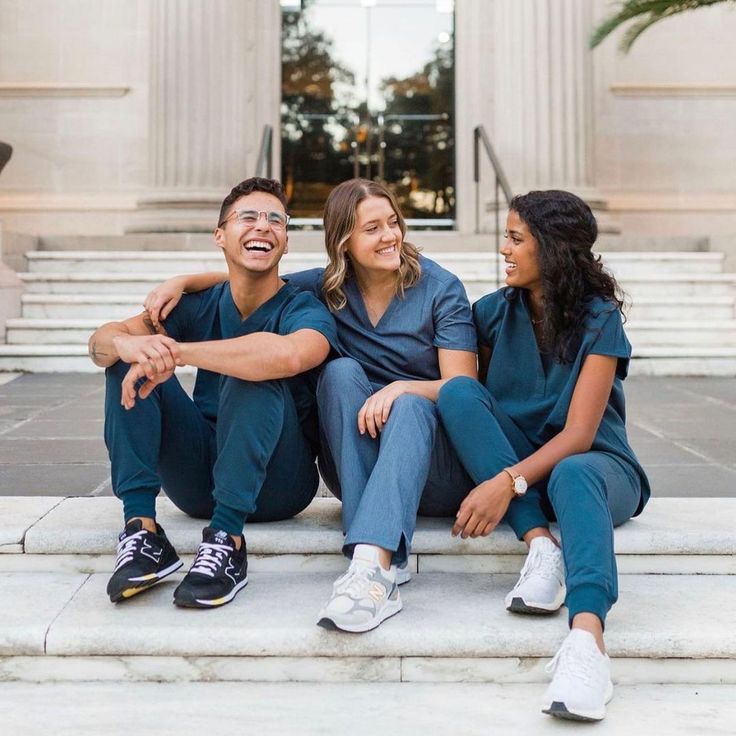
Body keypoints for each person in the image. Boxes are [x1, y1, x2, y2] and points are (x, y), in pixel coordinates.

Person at [144, 178, 478, 632]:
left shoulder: (440, 288)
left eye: (393, 223)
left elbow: (463, 387)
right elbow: (254, 274)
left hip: (429, 464)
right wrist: (184, 280)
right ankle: (372, 549)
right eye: (373, 228)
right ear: (343, 243)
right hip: (356, 464)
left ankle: (374, 565)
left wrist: (402, 388)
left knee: (411, 408)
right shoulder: (329, 287)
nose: (390, 236)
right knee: (339, 374)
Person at [436, 190, 650, 722]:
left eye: (516, 238)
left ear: (552, 248)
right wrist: (396, 389)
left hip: (598, 469)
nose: (504, 250)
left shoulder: (600, 320)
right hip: (527, 470)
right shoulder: (491, 313)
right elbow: (464, 393)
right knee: (458, 393)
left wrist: (504, 482)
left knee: (575, 471)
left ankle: (587, 643)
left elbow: (580, 434)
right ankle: (541, 545)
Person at [88, 177, 339, 609]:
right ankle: (142, 532)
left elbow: (292, 354)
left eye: (275, 220)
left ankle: (227, 542)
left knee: (252, 366)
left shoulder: (304, 306)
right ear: (220, 235)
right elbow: (99, 343)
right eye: (248, 217)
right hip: (198, 480)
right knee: (128, 361)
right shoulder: (198, 303)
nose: (263, 226)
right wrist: (128, 345)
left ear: (285, 242)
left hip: (279, 483)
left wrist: (179, 352)